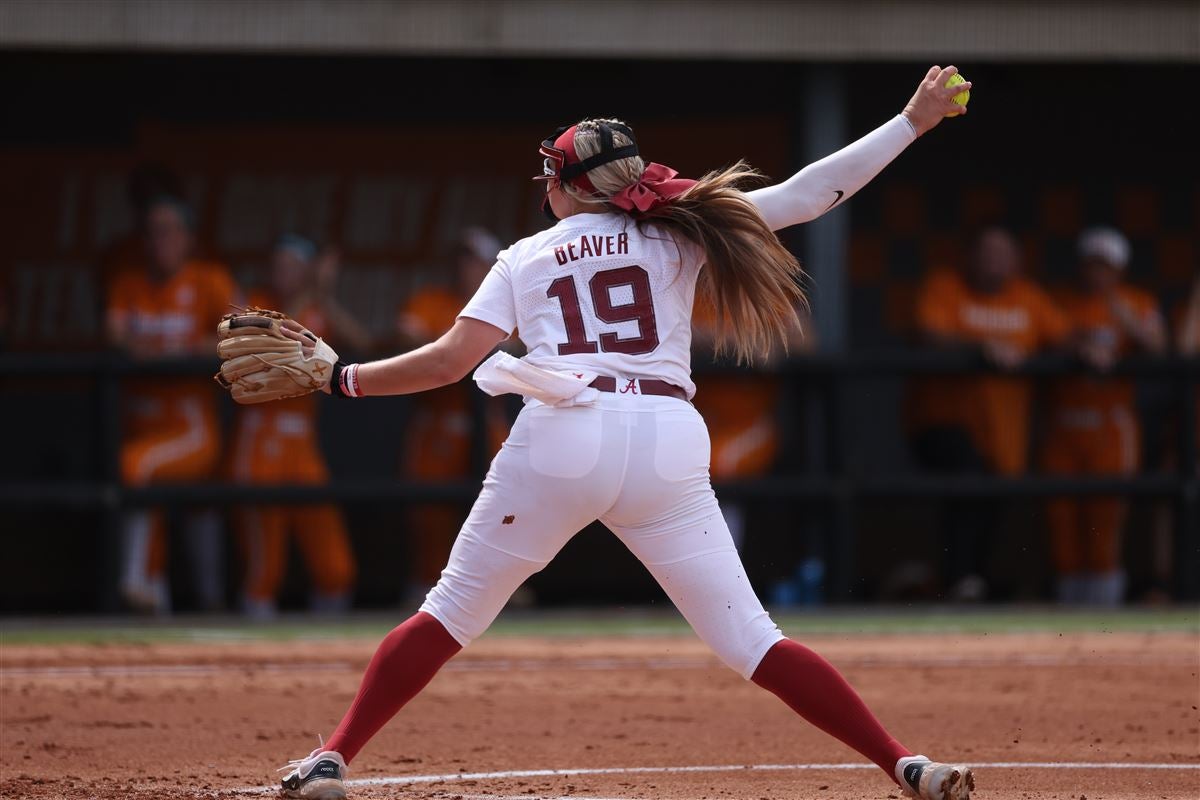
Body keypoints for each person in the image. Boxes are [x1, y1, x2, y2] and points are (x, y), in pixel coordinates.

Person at [276, 66, 976, 800]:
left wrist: (342, 378)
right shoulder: (680, 228)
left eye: (549, 175)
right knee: (754, 640)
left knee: (448, 614)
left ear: (570, 185)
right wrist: (911, 121)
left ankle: (332, 758)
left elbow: (451, 362)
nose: (543, 187)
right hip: (667, 440)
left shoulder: (525, 255)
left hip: (564, 433)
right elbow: (811, 192)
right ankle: (905, 764)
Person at [909, 226, 1070, 601]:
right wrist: (982, 346)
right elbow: (928, 334)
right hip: (943, 423)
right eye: (986, 251)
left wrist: (1089, 347)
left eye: (1003, 252)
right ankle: (959, 579)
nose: (994, 260)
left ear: (1017, 260)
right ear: (970, 255)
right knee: (967, 478)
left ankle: (973, 582)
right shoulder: (946, 287)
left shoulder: (1028, 297)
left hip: (1003, 431)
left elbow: (1065, 336)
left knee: (993, 496)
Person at [106, 196, 236, 614]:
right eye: (152, 232)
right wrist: (148, 346)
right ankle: (153, 601)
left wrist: (183, 347)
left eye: (169, 231)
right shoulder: (129, 284)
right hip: (144, 422)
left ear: (188, 238)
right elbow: (115, 333)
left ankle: (134, 581)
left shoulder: (208, 280)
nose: (160, 240)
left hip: (191, 429)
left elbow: (244, 332)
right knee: (152, 501)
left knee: (136, 466)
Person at [229, 235, 367, 619]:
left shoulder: (316, 307)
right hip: (259, 438)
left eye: (292, 266)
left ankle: (326, 643)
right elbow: (267, 344)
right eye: (278, 264)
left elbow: (364, 343)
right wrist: (311, 292)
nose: (282, 272)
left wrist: (323, 296)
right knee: (264, 571)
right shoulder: (255, 301)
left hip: (302, 441)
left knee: (335, 568)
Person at [1040, 227, 1167, 606]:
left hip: (1111, 428)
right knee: (1063, 523)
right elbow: (1048, 338)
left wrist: (1124, 318)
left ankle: (1104, 614)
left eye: (1106, 266)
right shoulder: (1062, 302)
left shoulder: (1136, 302)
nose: (1098, 273)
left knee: (1105, 523)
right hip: (1065, 425)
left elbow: (1159, 347)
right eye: (1092, 264)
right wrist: (1082, 345)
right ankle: (1067, 611)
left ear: (1120, 269)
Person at [395, 228, 510, 597]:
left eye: (474, 261)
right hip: (438, 422)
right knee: (431, 514)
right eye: (461, 259)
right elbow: (407, 337)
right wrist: (459, 350)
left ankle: (498, 589)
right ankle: (428, 586)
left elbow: (526, 347)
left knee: (502, 509)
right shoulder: (431, 300)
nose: (465, 268)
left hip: (487, 423)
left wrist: (455, 349)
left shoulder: (508, 302)